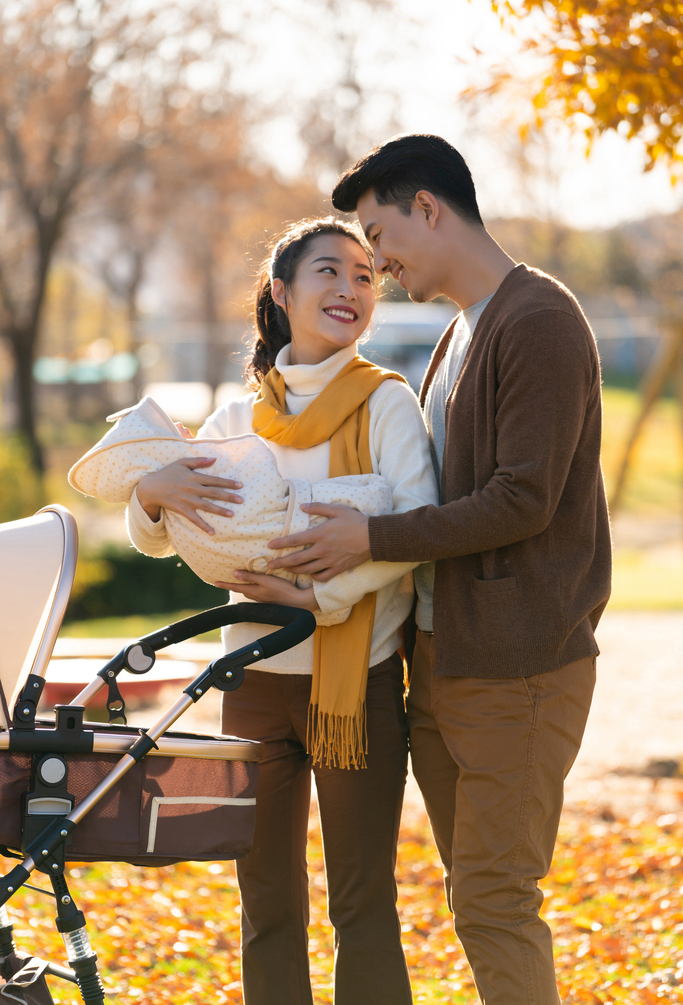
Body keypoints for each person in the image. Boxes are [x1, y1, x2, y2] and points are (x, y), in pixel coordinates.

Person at [267, 136, 612, 1005]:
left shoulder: (536, 320)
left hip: (521, 669)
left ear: (428, 208)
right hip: (449, 668)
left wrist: (368, 538)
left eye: (380, 234)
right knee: (476, 901)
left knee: (496, 903)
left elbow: (520, 500)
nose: (374, 262)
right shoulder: (463, 330)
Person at [125, 216, 439, 1005]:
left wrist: (317, 599)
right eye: (330, 272)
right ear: (281, 292)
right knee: (265, 905)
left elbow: (413, 532)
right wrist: (149, 497)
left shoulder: (385, 406)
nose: (350, 289)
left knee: (362, 905)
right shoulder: (237, 421)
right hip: (252, 686)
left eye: (366, 276)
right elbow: (168, 536)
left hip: (355, 686)